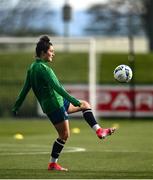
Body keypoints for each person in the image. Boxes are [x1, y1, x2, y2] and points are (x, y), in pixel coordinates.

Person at [12, 35, 116, 171]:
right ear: (43, 52)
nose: (53, 54)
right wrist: (73, 101)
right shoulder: (44, 69)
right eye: (51, 51)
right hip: (55, 105)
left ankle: (99, 131)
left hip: (57, 102)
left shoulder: (32, 68)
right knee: (64, 135)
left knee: (85, 104)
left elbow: (25, 88)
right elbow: (58, 88)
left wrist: (17, 106)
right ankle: (52, 164)